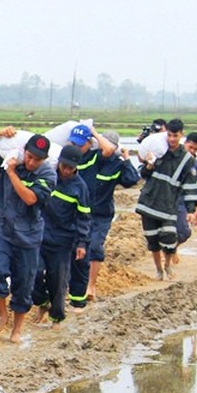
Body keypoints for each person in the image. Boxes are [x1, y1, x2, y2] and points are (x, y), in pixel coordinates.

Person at [0, 128, 56, 343]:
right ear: (23, 152)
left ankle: (17, 330)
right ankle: (2, 313)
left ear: (44, 160)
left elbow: (30, 198)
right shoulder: (10, 160)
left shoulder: (47, 174)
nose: (31, 162)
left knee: (23, 284)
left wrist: (11, 173)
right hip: (3, 230)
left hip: (28, 237)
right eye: (29, 156)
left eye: (37, 159)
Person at [66, 129, 140, 303]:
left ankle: (90, 286)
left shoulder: (116, 164)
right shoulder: (89, 158)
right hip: (80, 212)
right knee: (75, 247)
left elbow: (131, 180)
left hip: (101, 214)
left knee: (95, 247)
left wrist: (127, 159)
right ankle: (74, 284)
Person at [31, 145, 91, 327]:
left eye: (70, 168)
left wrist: (82, 243)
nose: (65, 170)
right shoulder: (48, 176)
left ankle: (56, 318)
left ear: (76, 167)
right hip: (39, 236)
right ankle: (42, 302)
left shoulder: (80, 188)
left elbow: (84, 217)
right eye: (63, 165)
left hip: (63, 242)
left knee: (58, 281)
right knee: (32, 272)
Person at [134, 118, 197, 281]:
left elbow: (190, 185)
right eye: (169, 135)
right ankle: (158, 270)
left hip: (168, 204)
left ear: (181, 135)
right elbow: (143, 175)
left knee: (169, 238)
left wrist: (191, 210)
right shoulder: (158, 152)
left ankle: (168, 265)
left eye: (175, 136)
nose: (171, 139)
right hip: (149, 202)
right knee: (152, 239)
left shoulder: (186, 160)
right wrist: (148, 164)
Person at [175, 131, 197, 255]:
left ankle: (172, 249)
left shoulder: (196, 165)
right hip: (167, 199)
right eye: (190, 147)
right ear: (185, 143)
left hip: (182, 201)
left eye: (195, 149)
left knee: (184, 232)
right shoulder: (173, 157)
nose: (192, 151)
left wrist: (196, 210)